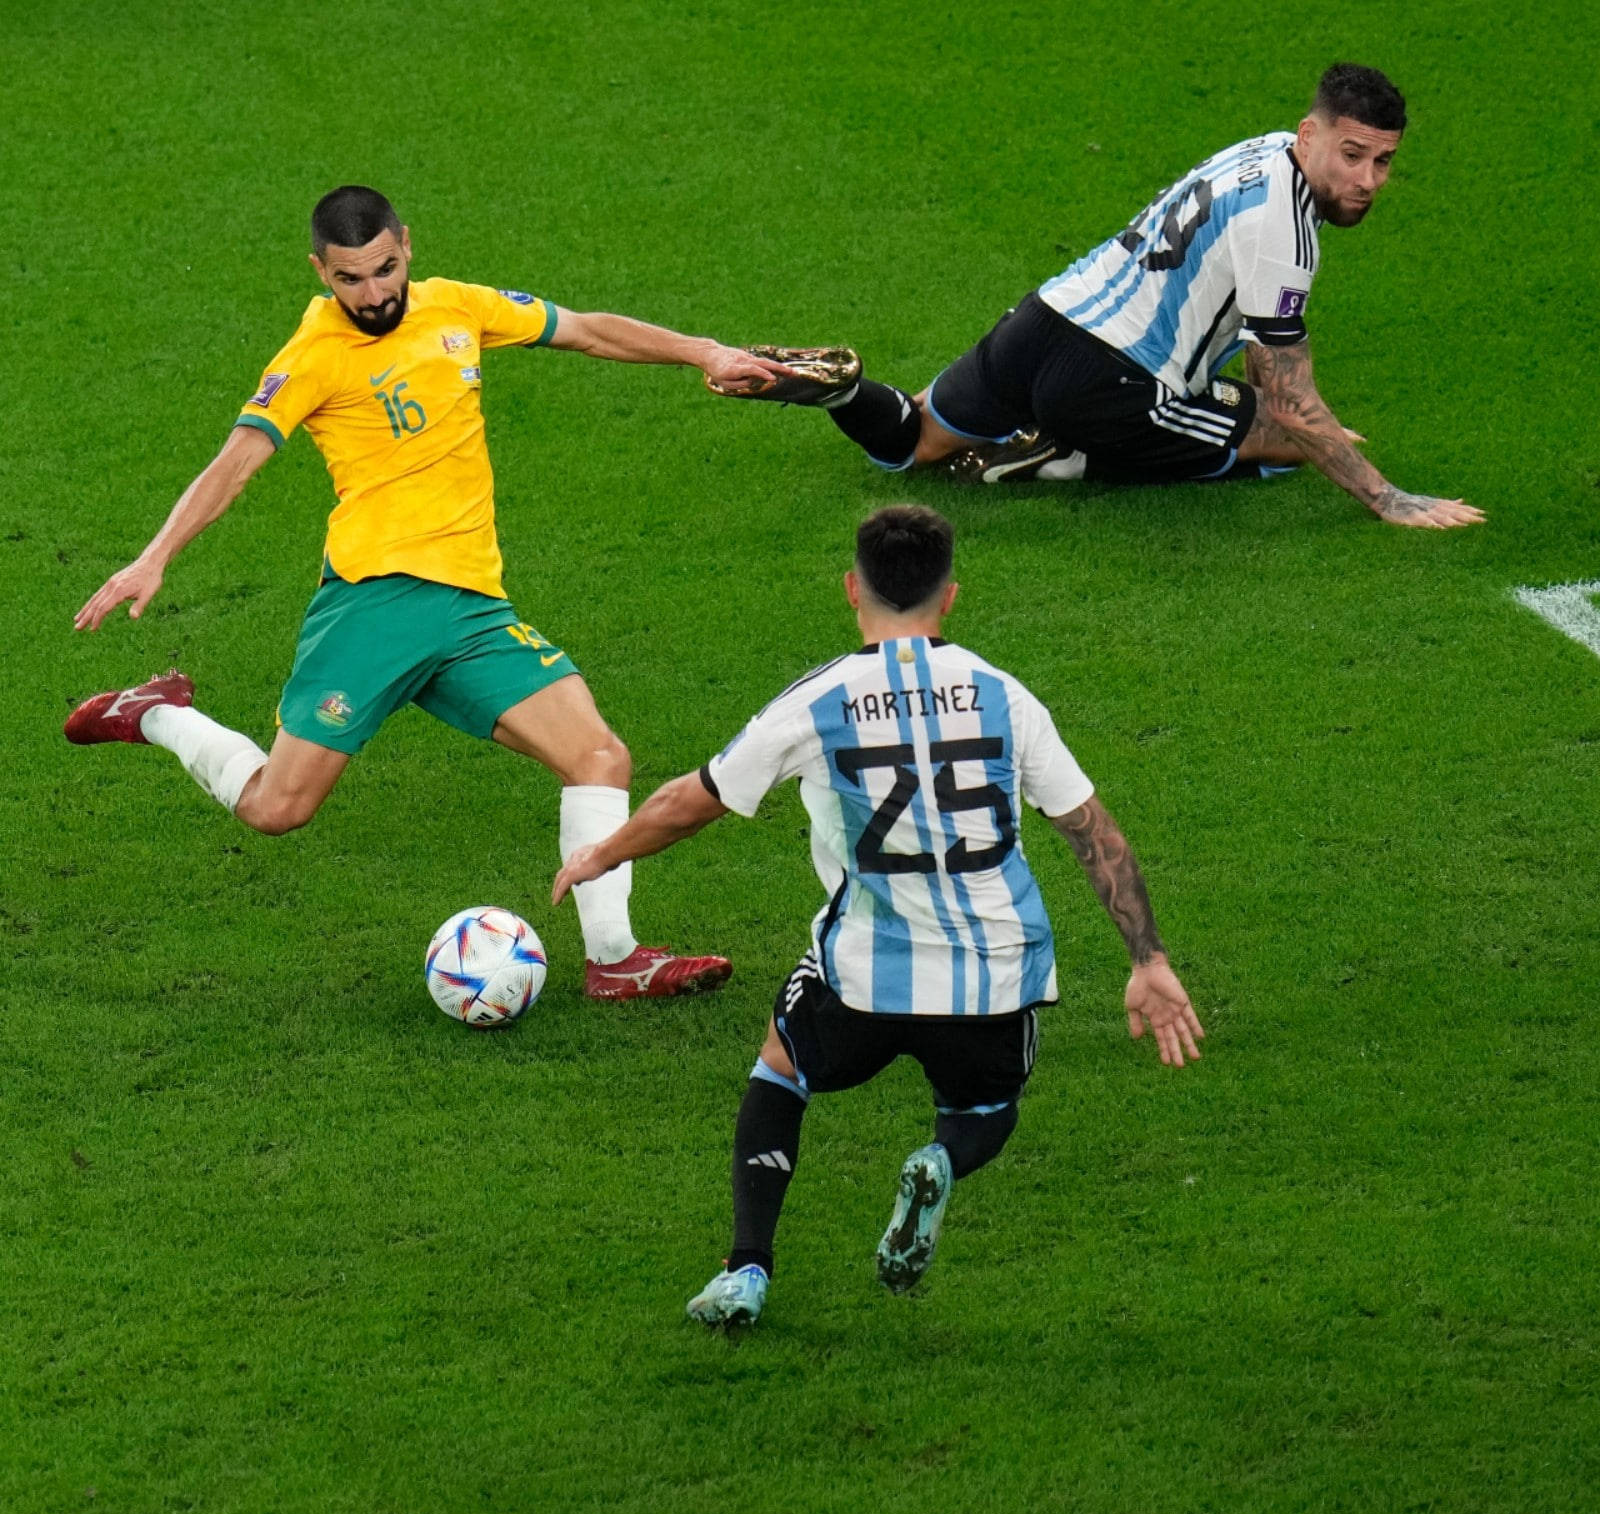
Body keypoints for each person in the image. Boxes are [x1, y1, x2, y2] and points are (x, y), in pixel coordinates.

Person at [65, 185, 798, 1000]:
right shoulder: (311, 355)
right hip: (374, 604)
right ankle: (156, 711)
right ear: (320, 272)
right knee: (278, 809)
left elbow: (586, 330)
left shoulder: (458, 307)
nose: (373, 294)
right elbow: (237, 458)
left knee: (598, 755)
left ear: (406, 246)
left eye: (384, 270)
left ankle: (615, 960)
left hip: (473, 610)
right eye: (350, 280)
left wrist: (705, 351)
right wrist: (155, 556)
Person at [552, 504, 1203, 1327]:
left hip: (864, 976)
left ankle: (747, 1268)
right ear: (951, 595)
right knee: (984, 1111)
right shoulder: (1006, 697)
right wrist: (1147, 959)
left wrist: (603, 854)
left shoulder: (822, 699)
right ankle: (939, 1159)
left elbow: (695, 800)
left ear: (852, 589)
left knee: (781, 1067)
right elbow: (1091, 833)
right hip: (997, 975)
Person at [710, 65, 1484, 531]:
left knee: (912, 442)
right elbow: (1290, 405)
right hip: (1114, 381)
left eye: (1383, 162)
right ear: (1311, 136)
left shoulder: (1260, 151)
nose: (1367, 181)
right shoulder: (1285, 230)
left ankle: (842, 391)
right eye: (1353, 157)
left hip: (1046, 318)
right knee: (1301, 447)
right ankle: (1062, 456)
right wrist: (1388, 500)